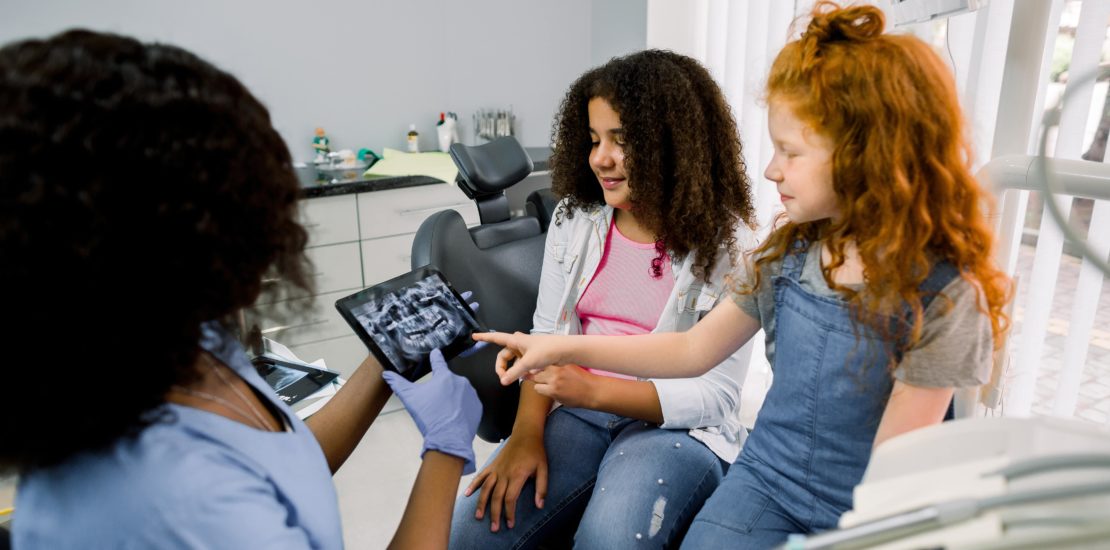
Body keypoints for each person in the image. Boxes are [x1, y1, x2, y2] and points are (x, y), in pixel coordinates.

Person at [476, 3, 1013, 548]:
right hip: (767, 481)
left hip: (865, 504)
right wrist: (556, 349)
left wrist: (585, 378)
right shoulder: (788, 255)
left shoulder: (944, 299)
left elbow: (893, 477)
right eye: (595, 140)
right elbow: (690, 350)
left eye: (789, 151)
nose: (771, 168)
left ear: (868, 156)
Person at [0, 30, 481, 549]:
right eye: (245, 202)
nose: (272, 227)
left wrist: (386, 357)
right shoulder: (172, 499)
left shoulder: (187, 342)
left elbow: (281, 465)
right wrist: (446, 449)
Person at [451, 50, 757, 549]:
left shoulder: (730, 244)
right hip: (573, 409)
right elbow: (547, 334)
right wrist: (526, 435)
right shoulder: (576, 220)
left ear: (674, 144)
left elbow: (715, 396)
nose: (600, 159)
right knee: (470, 535)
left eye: (622, 140)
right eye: (594, 140)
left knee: (611, 540)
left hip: (675, 426)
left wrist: (592, 391)